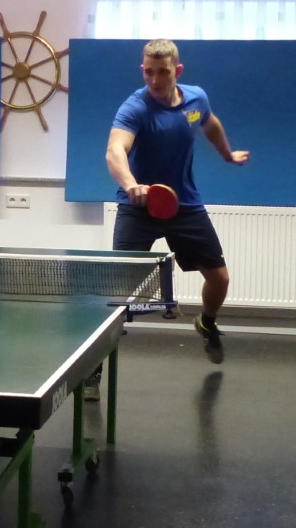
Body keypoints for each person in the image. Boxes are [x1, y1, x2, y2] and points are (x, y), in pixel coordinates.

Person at [107, 38, 250, 363]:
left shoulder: (195, 99)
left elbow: (209, 123)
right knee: (118, 291)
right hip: (139, 205)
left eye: (163, 72)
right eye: (149, 72)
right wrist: (130, 184)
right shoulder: (135, 108)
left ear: (178, 70)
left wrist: (227, 154)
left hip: (183, 204)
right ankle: (94, 371)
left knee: (220, 279)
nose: (155, 80)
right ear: (142, 69)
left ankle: (207, 323)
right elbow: (115, 150)